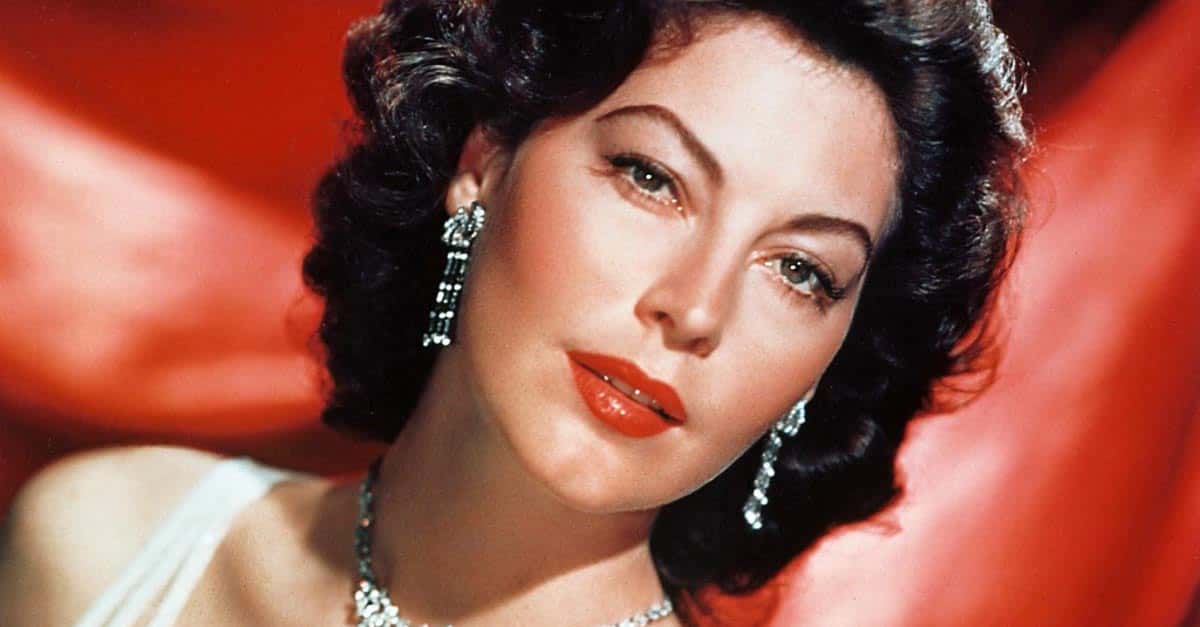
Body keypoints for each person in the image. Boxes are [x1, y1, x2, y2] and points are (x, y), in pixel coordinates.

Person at [0, 1, 1028, 625]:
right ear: (485, 159)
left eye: (800, 270)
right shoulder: (107, 542)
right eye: (652, 177)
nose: (694, 307)